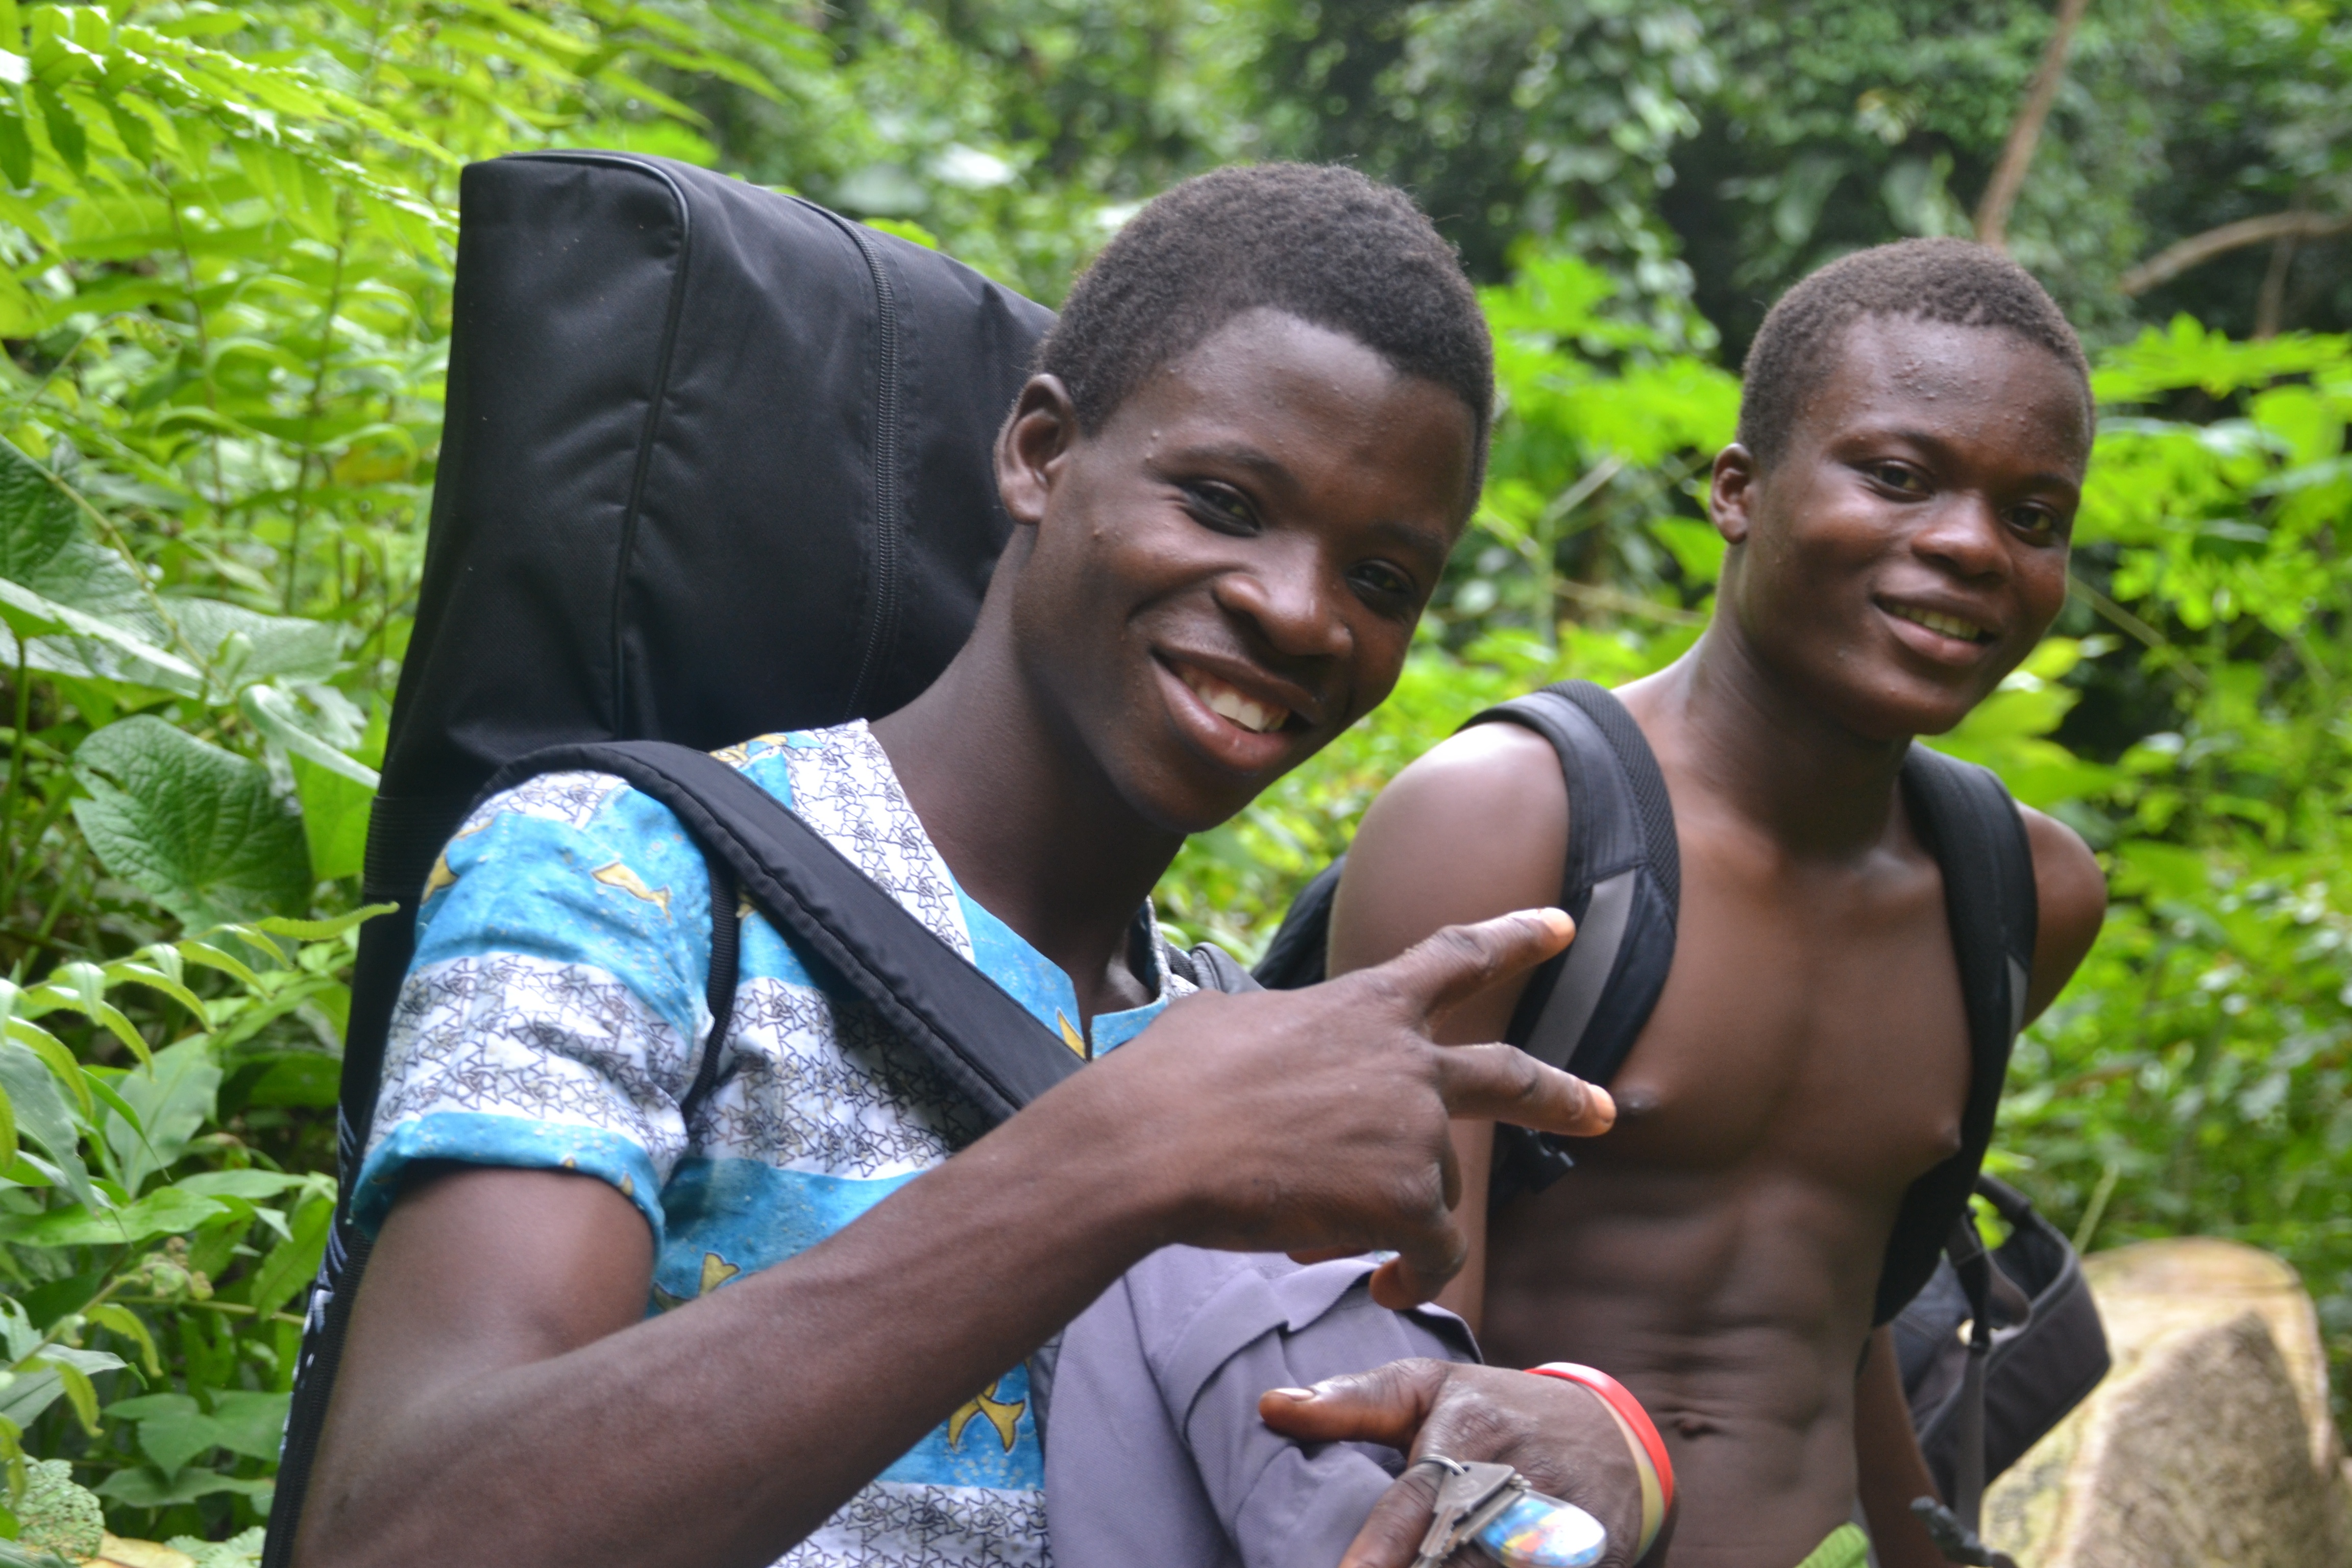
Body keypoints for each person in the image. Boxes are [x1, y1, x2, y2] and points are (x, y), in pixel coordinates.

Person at [288, 164, 1632, 1568]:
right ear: (1040, 454)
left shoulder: (1240, 1053)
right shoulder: (624, 878)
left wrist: (1594, 1451)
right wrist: (1119, 1154)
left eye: (1381, 581)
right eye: (1226, 503)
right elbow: (401, 1539)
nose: (1301, 613)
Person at [1326, 239, 2111, 1568]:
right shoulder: (1508, 823)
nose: (1973, 546)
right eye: (1899, 476)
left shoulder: (2022, 892)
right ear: (1738, 490)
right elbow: (1393, 1362)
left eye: (2033, 518)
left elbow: (1837, 1304)